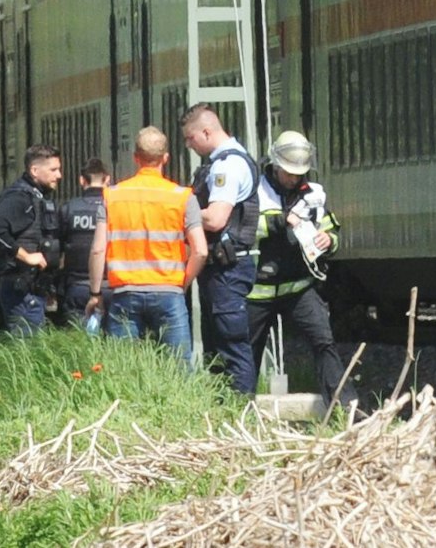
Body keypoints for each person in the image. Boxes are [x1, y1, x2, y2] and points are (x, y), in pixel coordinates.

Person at [247, 130, 354, 411]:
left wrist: (329, 240)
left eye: (299, 173)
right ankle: (238, 409)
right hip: (257, 291)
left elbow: (330, 229)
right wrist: (281, 221)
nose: (294, 179)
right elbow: (244, 230)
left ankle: (344, 408)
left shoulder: (314, 194)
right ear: (275, 165)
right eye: (289, 173)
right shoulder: (254, 191)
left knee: (324, 341)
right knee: (248, 353)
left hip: (299, 288)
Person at [86, 127, 206, 360]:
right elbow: (200, 251)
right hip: (169, 293)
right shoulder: (182, 197)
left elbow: (98, 249)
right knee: (178, 369)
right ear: (166, 158)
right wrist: (182, 284)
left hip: (125, 293)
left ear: (135, 158)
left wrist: (95, 293)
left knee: (125, 369)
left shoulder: (112, 195)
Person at [182, 103, 261, 396]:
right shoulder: (223, 162)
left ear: (206, 131)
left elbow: (215, 219)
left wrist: (179, 211)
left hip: (227, 270)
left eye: (190, 138)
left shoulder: (227, 166)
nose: (189, 145)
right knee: (217, 349)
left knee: (231, 347)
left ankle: (240, 409)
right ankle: (223, 410)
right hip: (222, 269)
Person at [0, 144, 64, 337]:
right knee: (29, 347)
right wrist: (26, 256)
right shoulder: (20, 197)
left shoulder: (37, 197)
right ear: (34, 171)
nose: (59, 175)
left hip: (34, 288)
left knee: (32, 346)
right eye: (53, 170)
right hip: (21, 288)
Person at [59, 157, 111, 333]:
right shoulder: (115, 208)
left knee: (77, 341)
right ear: (107, 179)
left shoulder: (68, 209)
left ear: (82, 180)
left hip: (77, 288)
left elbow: (58, 249)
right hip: (112, 287)